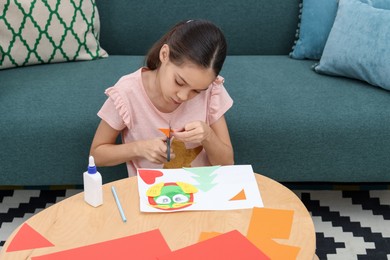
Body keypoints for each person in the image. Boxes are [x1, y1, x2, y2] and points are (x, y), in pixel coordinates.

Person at [90, 19, 234, 176]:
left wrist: (208, 136)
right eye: (179, 82)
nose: (183, 96)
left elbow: (227, 163)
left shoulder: (211, 90)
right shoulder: (127, 92)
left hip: (201, 191)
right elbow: (96, 155)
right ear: (164, 54)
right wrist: (138, 148)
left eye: (197, 91)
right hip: (151, 193)